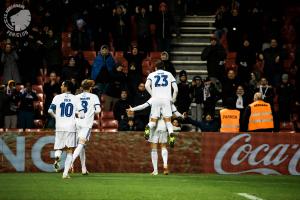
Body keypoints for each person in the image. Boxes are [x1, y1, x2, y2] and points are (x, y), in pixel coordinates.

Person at [127, 98, 183, 175]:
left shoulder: (154, 98)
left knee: (154, 148)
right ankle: (165, 166)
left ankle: (155, 170)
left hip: (153, 123)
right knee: (163, 146)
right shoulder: (168, 99)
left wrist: (133, 109)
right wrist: (182, 116)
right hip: (163, 124)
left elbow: (143, 106)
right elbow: (176, 112)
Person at [48, 80, 84, 179]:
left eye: (62, 85)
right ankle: (65, 174)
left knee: (59, 147)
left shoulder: (57, 97)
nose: (60, 86)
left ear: (66, 87)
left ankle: (57, 157)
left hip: (59, 127)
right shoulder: (75, 98)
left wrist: (57, 117)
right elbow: (82, 115)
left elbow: (50, 111)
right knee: (69, 151)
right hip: (70, 127)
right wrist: (76, 115)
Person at [144, 61, 178, 146]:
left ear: (155, 68)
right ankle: (171, 133)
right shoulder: (169, 74)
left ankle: (149, 126)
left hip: (156, 99)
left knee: (154, 120)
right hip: (166, 100)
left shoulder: (152, 74)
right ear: (164, 68)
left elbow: (146, 85)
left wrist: (153, 94)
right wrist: (173, 99)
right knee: (168, 121)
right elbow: (176, 89)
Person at [72, 79, 101, 175]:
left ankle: (83, 169)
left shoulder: (76, 97)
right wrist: (91, 110)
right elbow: (98, 110)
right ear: (90, 88)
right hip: (86, 124)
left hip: (77, 122)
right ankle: (70, 162)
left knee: (82, 146)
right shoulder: (94, 97)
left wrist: (80, 113)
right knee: (81, 144)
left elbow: (73, 111)